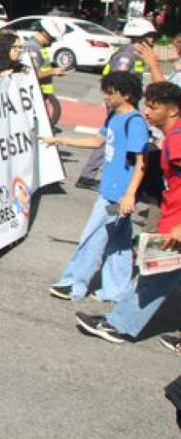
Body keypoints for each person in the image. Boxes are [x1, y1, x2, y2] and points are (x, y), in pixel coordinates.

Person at [75, 83, 181, 345]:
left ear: (173, 111)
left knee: (154, 277)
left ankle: (118, 325)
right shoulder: (173, 135)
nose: (147, 112)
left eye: (153, 108)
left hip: (176, 222)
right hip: (172, 214)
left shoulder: (178, 140)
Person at [41, 71, 147, 303]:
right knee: (118, 244)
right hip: (113, 191)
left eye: (110, 93)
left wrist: (128, 195)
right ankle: (116, 290)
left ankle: (73, 284)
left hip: (117, 195)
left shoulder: (134, 122)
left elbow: (141, 162)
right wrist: (60, 140)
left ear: (126, 94)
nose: (105, 97)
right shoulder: (114, 117)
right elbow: (98, 141)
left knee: (92, 237)